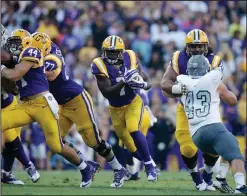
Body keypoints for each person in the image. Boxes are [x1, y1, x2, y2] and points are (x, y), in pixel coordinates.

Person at [1, 30, 98, 188]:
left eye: (16, 42)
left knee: (55, 145)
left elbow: (15, 75)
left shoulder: (31, 51)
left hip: (42, 104)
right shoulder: (16, 60)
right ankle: (9, 171)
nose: (12, 46)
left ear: (26, 42)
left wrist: (2, 70)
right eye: (11, 42)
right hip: (25, 105)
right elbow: (13, 89)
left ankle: (86, 168)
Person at [41, 32, 126, 188]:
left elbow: (50, 75)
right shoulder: (43, 55)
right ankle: (86, 167)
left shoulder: (51, 58)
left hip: (78, 100)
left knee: (92, 141)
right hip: (61, 105)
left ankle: (118, 168)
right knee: (54, 142)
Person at [161, 29, 233, 192]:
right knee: (187, 148)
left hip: (208, 109)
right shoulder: (178, 58)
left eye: (200, 46)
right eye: (193, 46)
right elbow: (165, 83)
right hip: (185, 109)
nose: (197, 49)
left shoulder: (215, 61)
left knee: (215, 146)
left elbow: (219, 88)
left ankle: (207, 174)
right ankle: (196, 177)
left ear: (206, 46)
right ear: (187, 47)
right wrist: (179, 90)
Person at [91, 35, 157, 181]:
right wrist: (125, 82)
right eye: (109, 52)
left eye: (115, 52)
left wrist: (143, 85)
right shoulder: (99, 64)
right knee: (130, 147)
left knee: (134, 128)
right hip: (115, 108)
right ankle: (149, 163)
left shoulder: (130, 56)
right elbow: (107, 91)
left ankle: (149, 166)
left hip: (133, 102)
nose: (112, 55)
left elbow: (146, 80)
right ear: (103, 51)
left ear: (122, 52)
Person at [177, 55, 246, 194]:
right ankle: (240, 187)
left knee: (225, 149)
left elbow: (169, 89)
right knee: (235, 151)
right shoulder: (212, 80)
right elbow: (232, 100)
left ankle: (219, 177)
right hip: (213, 127)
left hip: (196, 135)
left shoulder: (182, 83)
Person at [1, 26, 40, 185]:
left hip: (9, 100)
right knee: (9, 137)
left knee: (13, 138)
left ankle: (7, 173)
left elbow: (13, 85)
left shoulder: (19, 56)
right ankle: (28, 165)